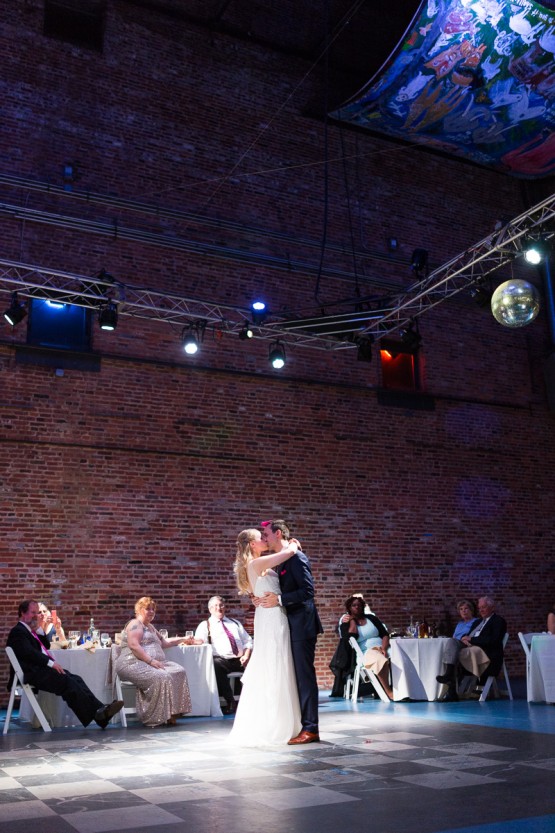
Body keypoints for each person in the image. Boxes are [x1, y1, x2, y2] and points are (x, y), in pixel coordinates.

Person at [228, 528, 301, 745]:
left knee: (274, 662)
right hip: (271, 618)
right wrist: (293, 544)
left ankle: (279, 717)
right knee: (274, 663)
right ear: (252, 544)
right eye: (261, 538)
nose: (265, 540)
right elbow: (288, 554)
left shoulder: (256, 564)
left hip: (269, 615)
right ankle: (276, 722)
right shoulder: (255, 564)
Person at [7, 599, 124, 729]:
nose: (37, 615)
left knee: (75, 679)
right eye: (33, 612)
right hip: (31, 674)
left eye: (38, 612)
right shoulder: (18, 631)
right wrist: (51, 663)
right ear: (23, 613)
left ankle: (101, 712)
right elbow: (29, 653)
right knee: (67, 682)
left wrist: (39, 628)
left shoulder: (29, 631)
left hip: (38, 671)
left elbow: (44, 646)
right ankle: (99, 714)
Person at [256, 519, 323, 745]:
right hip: (290, 625)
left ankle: (311, 729)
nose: (264, 538)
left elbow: (307, 591)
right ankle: (302, 723)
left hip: (303, 625)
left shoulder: (296, 558)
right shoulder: (282, 559)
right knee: (296, 677)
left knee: (305, 677)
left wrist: (280, 599)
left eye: (266, 534)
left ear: (277, 533)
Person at [115, 596, 192, 727]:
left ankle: (172, 713)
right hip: (132, 663)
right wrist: (150, 661)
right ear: (139, 610)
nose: (151, 612)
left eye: (153, 609)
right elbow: (134, 645)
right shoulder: (135, 624)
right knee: (161, 676)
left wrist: (184, 639)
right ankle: (153, 717)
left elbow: (165, 642)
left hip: (150, 662)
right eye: (147, 609)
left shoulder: (150, 627)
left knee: (179, 671)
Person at [437, 596, 507, 701]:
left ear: (492, 607)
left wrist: (471, 640)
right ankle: (449, 676)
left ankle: (450, 686)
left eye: (484, 607)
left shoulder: (498, 621)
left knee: (454, 655)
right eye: (480, 608)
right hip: (469, 647)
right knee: (451, 642)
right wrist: (466, 639)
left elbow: (494, 640)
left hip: (486, 654)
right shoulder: (478, 622)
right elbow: (470, 635)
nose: (481, 610)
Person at [195, 595, 253, 715]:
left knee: (258, 664)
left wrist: (246, 655)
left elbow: (248, 641)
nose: (219, 608)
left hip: (240, 659)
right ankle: (230, 701)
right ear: (210, 609)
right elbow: (200, 643)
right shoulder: (205, 625)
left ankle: (254, 701)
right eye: (215, 606)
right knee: (215, 664)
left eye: (221, 605)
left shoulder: (235, 623)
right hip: (222, 661)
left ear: (225, 607)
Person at [340, 595, 392, 699]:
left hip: (383, 647)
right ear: (349, 608)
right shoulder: (345, 624)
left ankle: (404, 690)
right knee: (379, 659)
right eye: (354, 605)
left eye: (359, 605)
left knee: (401, 657)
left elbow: (385, 634)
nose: (357, 607)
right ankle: (388, 692)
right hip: (366, 652)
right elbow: (351, 636)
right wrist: (352, 620)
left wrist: (384, 648)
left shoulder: (372, 618)